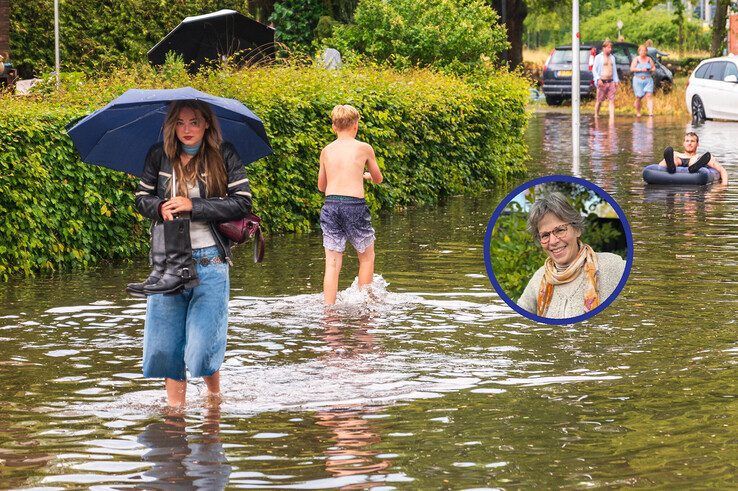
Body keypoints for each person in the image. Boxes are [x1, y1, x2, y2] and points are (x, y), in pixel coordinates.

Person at [134, 100, 254, 407]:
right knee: (165, 347)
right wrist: (160, 207)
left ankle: (214, 399)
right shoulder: (158, 155)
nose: (187, 130)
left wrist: (194, 206)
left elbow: (242, 202)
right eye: (181, 123)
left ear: (207, 125)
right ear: (172, 126)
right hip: (168, 263)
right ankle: (176, 415)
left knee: (203, 348)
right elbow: (141, 198)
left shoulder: (224, 154)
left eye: (195, 122)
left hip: (211, 261)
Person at [517, 192, 626, 319]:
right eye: (545, 235)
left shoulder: (613, 266)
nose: (553, 241)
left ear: (577, 229)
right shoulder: (538, 279)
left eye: (560, 230)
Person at [318, 104, 383, 305]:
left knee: (332, 263)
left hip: (330, 205)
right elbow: (378, 178)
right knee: (366, 257)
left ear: (333, 127)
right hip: (354, 205)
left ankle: (329, 312)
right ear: (355, 126)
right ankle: (364, 306)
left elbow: (322, 186)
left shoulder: (326, 150)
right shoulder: (364, 148)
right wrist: (366, 176)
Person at [658, 132, 728, 183]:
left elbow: (722, 170)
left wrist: (723, 186)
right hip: (678, 160)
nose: (689, 143)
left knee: (694, 159)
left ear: (698, 144)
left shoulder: (702, 157)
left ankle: (693, 167)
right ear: (684, 143)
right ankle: (671, 167)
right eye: (687, 141)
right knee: (674, 157)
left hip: (696, 161)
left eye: (692, 141)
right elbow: (659, 166)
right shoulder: (676, 154)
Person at [592, 40, 620, 119]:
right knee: (599, 100)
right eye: (608, 47)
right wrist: (598, 79)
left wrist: (616, 81)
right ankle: (596, 115)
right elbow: (594, 70)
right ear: (604, 48)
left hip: (611, 81)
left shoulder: (612, 58)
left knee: (612, 101)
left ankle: (612, 118)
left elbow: (614, 70)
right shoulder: (598, 57)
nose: (610, 49)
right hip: (602, 81)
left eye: (611, 47)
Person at [630, 44, 655, 117]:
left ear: (646, 51)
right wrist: (640, 69)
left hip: (648, 79)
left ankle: (650, 113)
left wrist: (650, 69)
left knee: (649, 96)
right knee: (639, 97)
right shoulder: (636, 59)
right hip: (638, 80)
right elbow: (631, 69)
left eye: (644, 51)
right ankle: (638, 112)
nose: (643, 52)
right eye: (641, 51)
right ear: (639, 52)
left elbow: (654, 68)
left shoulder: (649, 59)